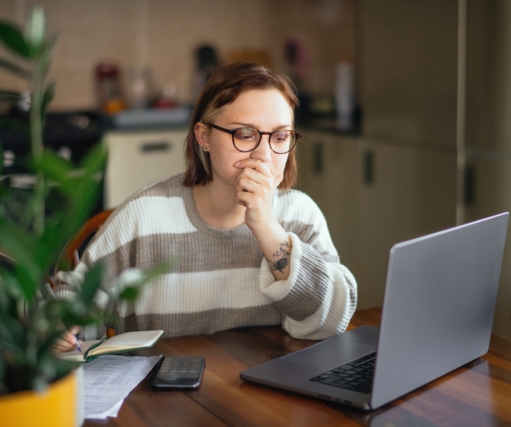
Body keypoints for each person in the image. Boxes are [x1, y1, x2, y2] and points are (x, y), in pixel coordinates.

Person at [54, 61, 357, 352]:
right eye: (245, 134)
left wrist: (267, 227)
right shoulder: (144, 217)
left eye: (279, 137)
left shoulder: (300, 216)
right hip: (160, 399)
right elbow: (71, 298)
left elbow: (331, 321)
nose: (264, 154)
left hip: (264, 396)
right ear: (204, 136)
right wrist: (62, 326)